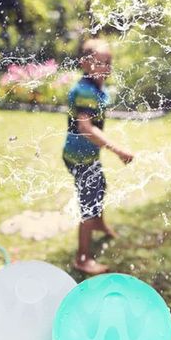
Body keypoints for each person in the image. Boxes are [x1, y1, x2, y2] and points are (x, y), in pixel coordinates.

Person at [62, 38, 134, 275]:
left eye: (107, 62)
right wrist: (118, 149)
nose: (104, 67)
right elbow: (86, 128)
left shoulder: (94, 87)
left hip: (86, 153)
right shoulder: (85, 91)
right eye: (98, 63)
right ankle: (82, 258)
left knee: (99, 185)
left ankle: (100, 224)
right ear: (84, 64)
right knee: (89, 202)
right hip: (80, 155)